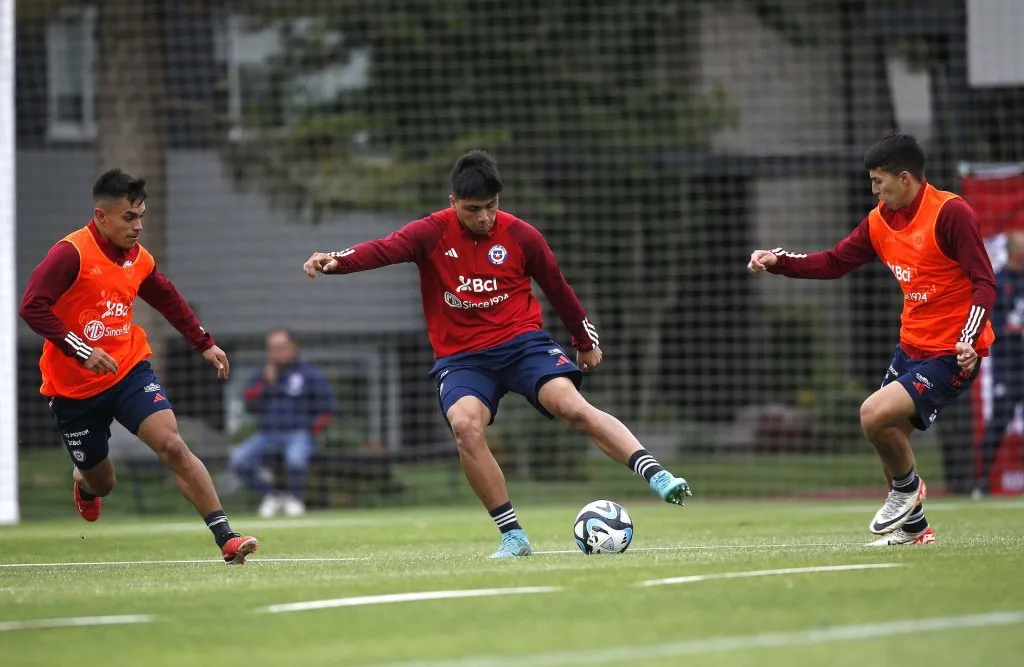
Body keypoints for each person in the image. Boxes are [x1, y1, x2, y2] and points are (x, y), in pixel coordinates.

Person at [302, 150, 692, 558]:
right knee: (465, 427)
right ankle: (513, 536)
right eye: (473, 209)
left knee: (573, 407)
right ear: (453, 202)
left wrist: (584, 340)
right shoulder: (430, 233)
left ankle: (657, 474)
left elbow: (558, 287)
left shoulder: (522, 235)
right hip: (463, 359)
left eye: (491, 206)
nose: (484, 217)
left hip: (523, 344)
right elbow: (383, 249)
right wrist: (336, 261)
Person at [748, 134, 996, 546]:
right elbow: (834, 262)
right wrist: (779, 262)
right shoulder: (880, 219)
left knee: (872, 415)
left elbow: (984, 282)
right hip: (911, 347)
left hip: (953, 352)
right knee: (889, 438)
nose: (874, 189)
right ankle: (915, 531)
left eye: (879, 181)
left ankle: (907, 490)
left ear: (905, 178)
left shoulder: (951, 213)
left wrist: (969, 340)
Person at [19, 169, 259, 565]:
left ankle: (227, 539)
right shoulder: (70, 254)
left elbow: (167, 298)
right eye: (129, 218)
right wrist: (81, 351)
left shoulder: (138, 258)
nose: (139, 226)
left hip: (129, 370)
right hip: (74, 389)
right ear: (101, 217)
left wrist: (205, 343)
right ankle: (86, 484)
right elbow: (32, 307)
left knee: (172, 445)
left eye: (141, 215)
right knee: (104, 482)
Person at [230, 328, 334, 517]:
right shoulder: (263, 375)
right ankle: (272, 496)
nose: (277, 351)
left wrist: (312, 432)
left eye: (282, 347)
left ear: (293, 347)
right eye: (273, 348)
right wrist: (266, 384)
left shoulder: (309, 373)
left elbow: (327, 408)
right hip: (267, 434)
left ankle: (295, 499)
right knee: (239, 460)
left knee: (295, 460)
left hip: (298, 433)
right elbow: (249, 404)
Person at [974, 230, 1024, 498]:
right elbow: (991, 325)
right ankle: (981, 482)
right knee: (1000, 419)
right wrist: (1014, 329)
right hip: (1008, 364)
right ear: (1015, 251)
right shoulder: (998, 282)